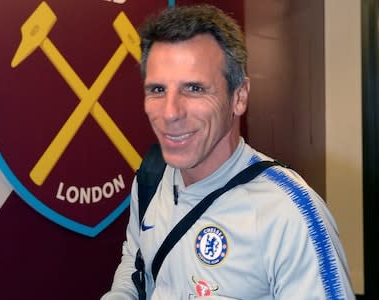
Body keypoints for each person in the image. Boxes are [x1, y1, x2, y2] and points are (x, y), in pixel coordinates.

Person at [102, 4, 354, 300]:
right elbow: (136, 261)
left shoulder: (289, 215)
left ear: (239, 97)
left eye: (194, 88)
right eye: (158, 90)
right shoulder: (151, 176)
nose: (170, 113)